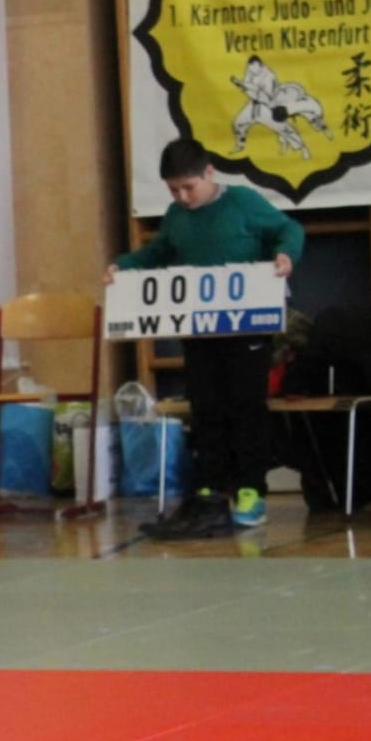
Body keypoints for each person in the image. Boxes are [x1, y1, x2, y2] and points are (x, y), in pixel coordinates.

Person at [108, 138, 304, 538]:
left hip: (246, 327)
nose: (182, 197)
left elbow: (288, 229)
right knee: (206, 408)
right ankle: (211, 492)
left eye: (188, 187)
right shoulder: (176, 216)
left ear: (209, 173)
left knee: (245, 407)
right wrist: (123, 267)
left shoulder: (242, 202)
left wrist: (286, 254)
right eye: (173, 190)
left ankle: (251, 492)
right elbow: (158, 253)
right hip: (199, 328)